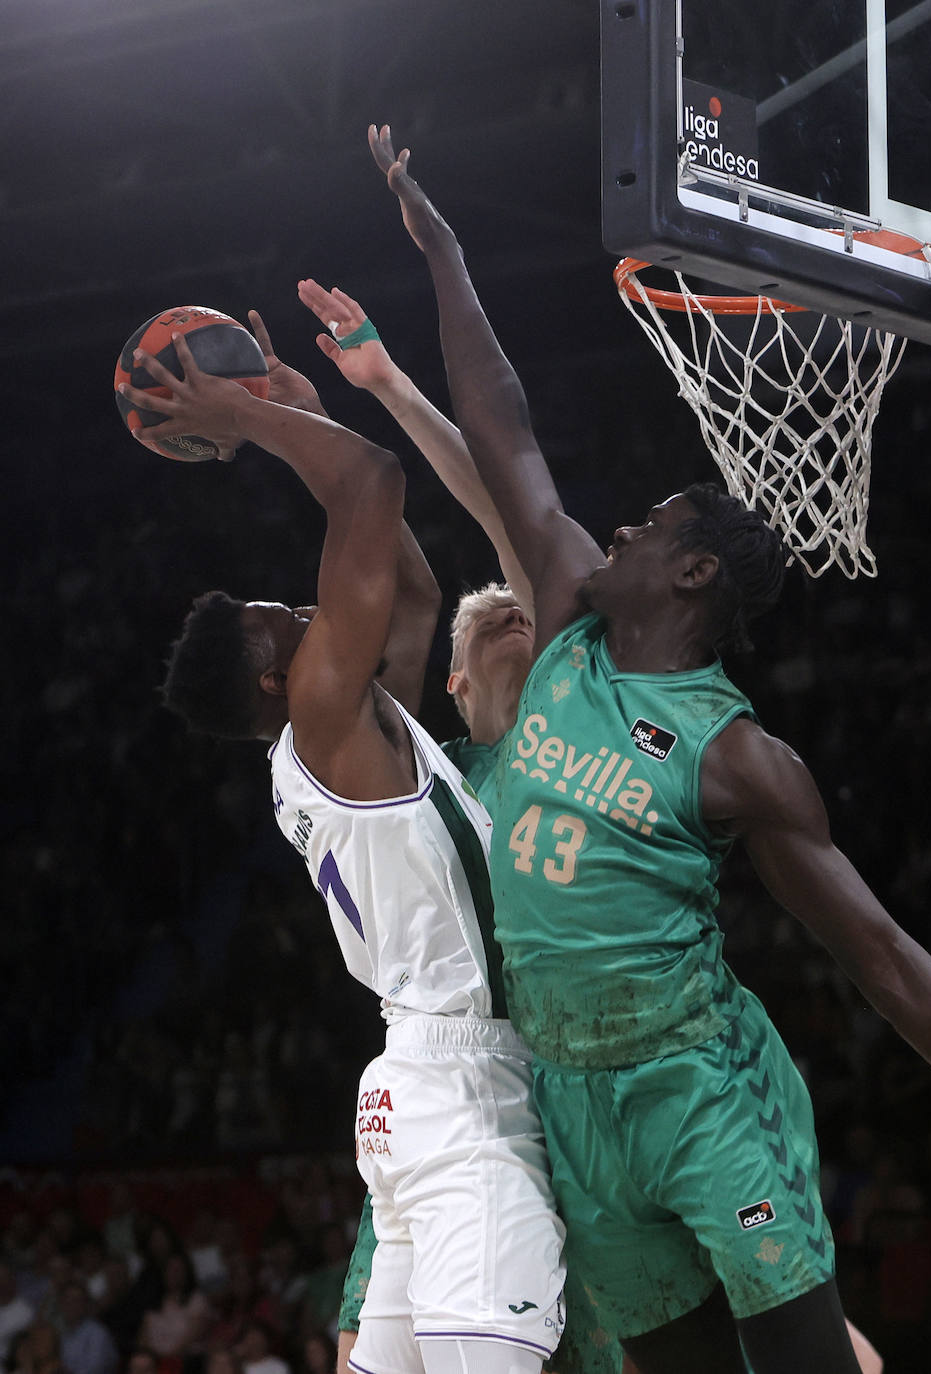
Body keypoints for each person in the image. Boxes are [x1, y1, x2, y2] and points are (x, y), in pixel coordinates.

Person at [367, 121, 931, 1374]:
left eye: (648, 526)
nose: (612, 531)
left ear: (688, 573)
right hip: (573, 1096)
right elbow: (504, 428)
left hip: (696, 1084)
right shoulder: (570, 624)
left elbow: (886, 960)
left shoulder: (737, 758)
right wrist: (444, 251)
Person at [121, 329, 566, 1374]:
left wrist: (301, 403)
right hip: (459, 1099)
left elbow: (409, 594)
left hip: (418, 1083)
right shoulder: (324, 727)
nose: (315, 612)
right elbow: (370, 483)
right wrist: (249, 421)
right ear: (280, 682)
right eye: (292, 622)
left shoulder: (357, 733)